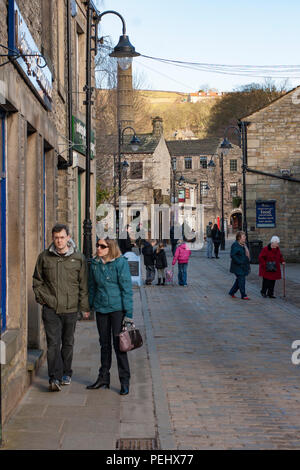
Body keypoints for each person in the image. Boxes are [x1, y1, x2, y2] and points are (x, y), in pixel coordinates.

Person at [32, 224, 89, 391]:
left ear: (68, 238)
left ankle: (66, 372)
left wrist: (84, 308)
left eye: (62, 237)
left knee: (68, 342)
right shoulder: (44, 257)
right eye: (56, 238)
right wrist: (43, 299)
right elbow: (37, 281)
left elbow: (83, 285)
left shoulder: (78, 258)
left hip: (71, 309)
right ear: (52, 238)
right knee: (53, 344)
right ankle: (54, 378)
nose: (59, 240)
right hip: (51, 309)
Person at [87, 238, 133, 395]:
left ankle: (124, 381)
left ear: (110, 248)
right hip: (101, 309)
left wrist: (129, 314)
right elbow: (92, 286)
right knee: (104, 345)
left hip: (117, 309)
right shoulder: (95, 264)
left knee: (119, 346)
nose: (98, 248)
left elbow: (127, 289)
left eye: (102, 246)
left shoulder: (120, 263)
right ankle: (103, 378)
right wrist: (89, 306)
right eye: (97, 245)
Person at [228, 231, 251, 300]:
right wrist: (239, 262)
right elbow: (233, 255)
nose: (245, 238)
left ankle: (232, 292)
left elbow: (247, 255)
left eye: (245, 236)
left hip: (244, 266)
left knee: (239, 280)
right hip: (237, 266)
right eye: (243, 236)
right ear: (239, 238)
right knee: (242, 280)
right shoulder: (235, 245)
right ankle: (243, 295)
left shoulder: (244, 245)